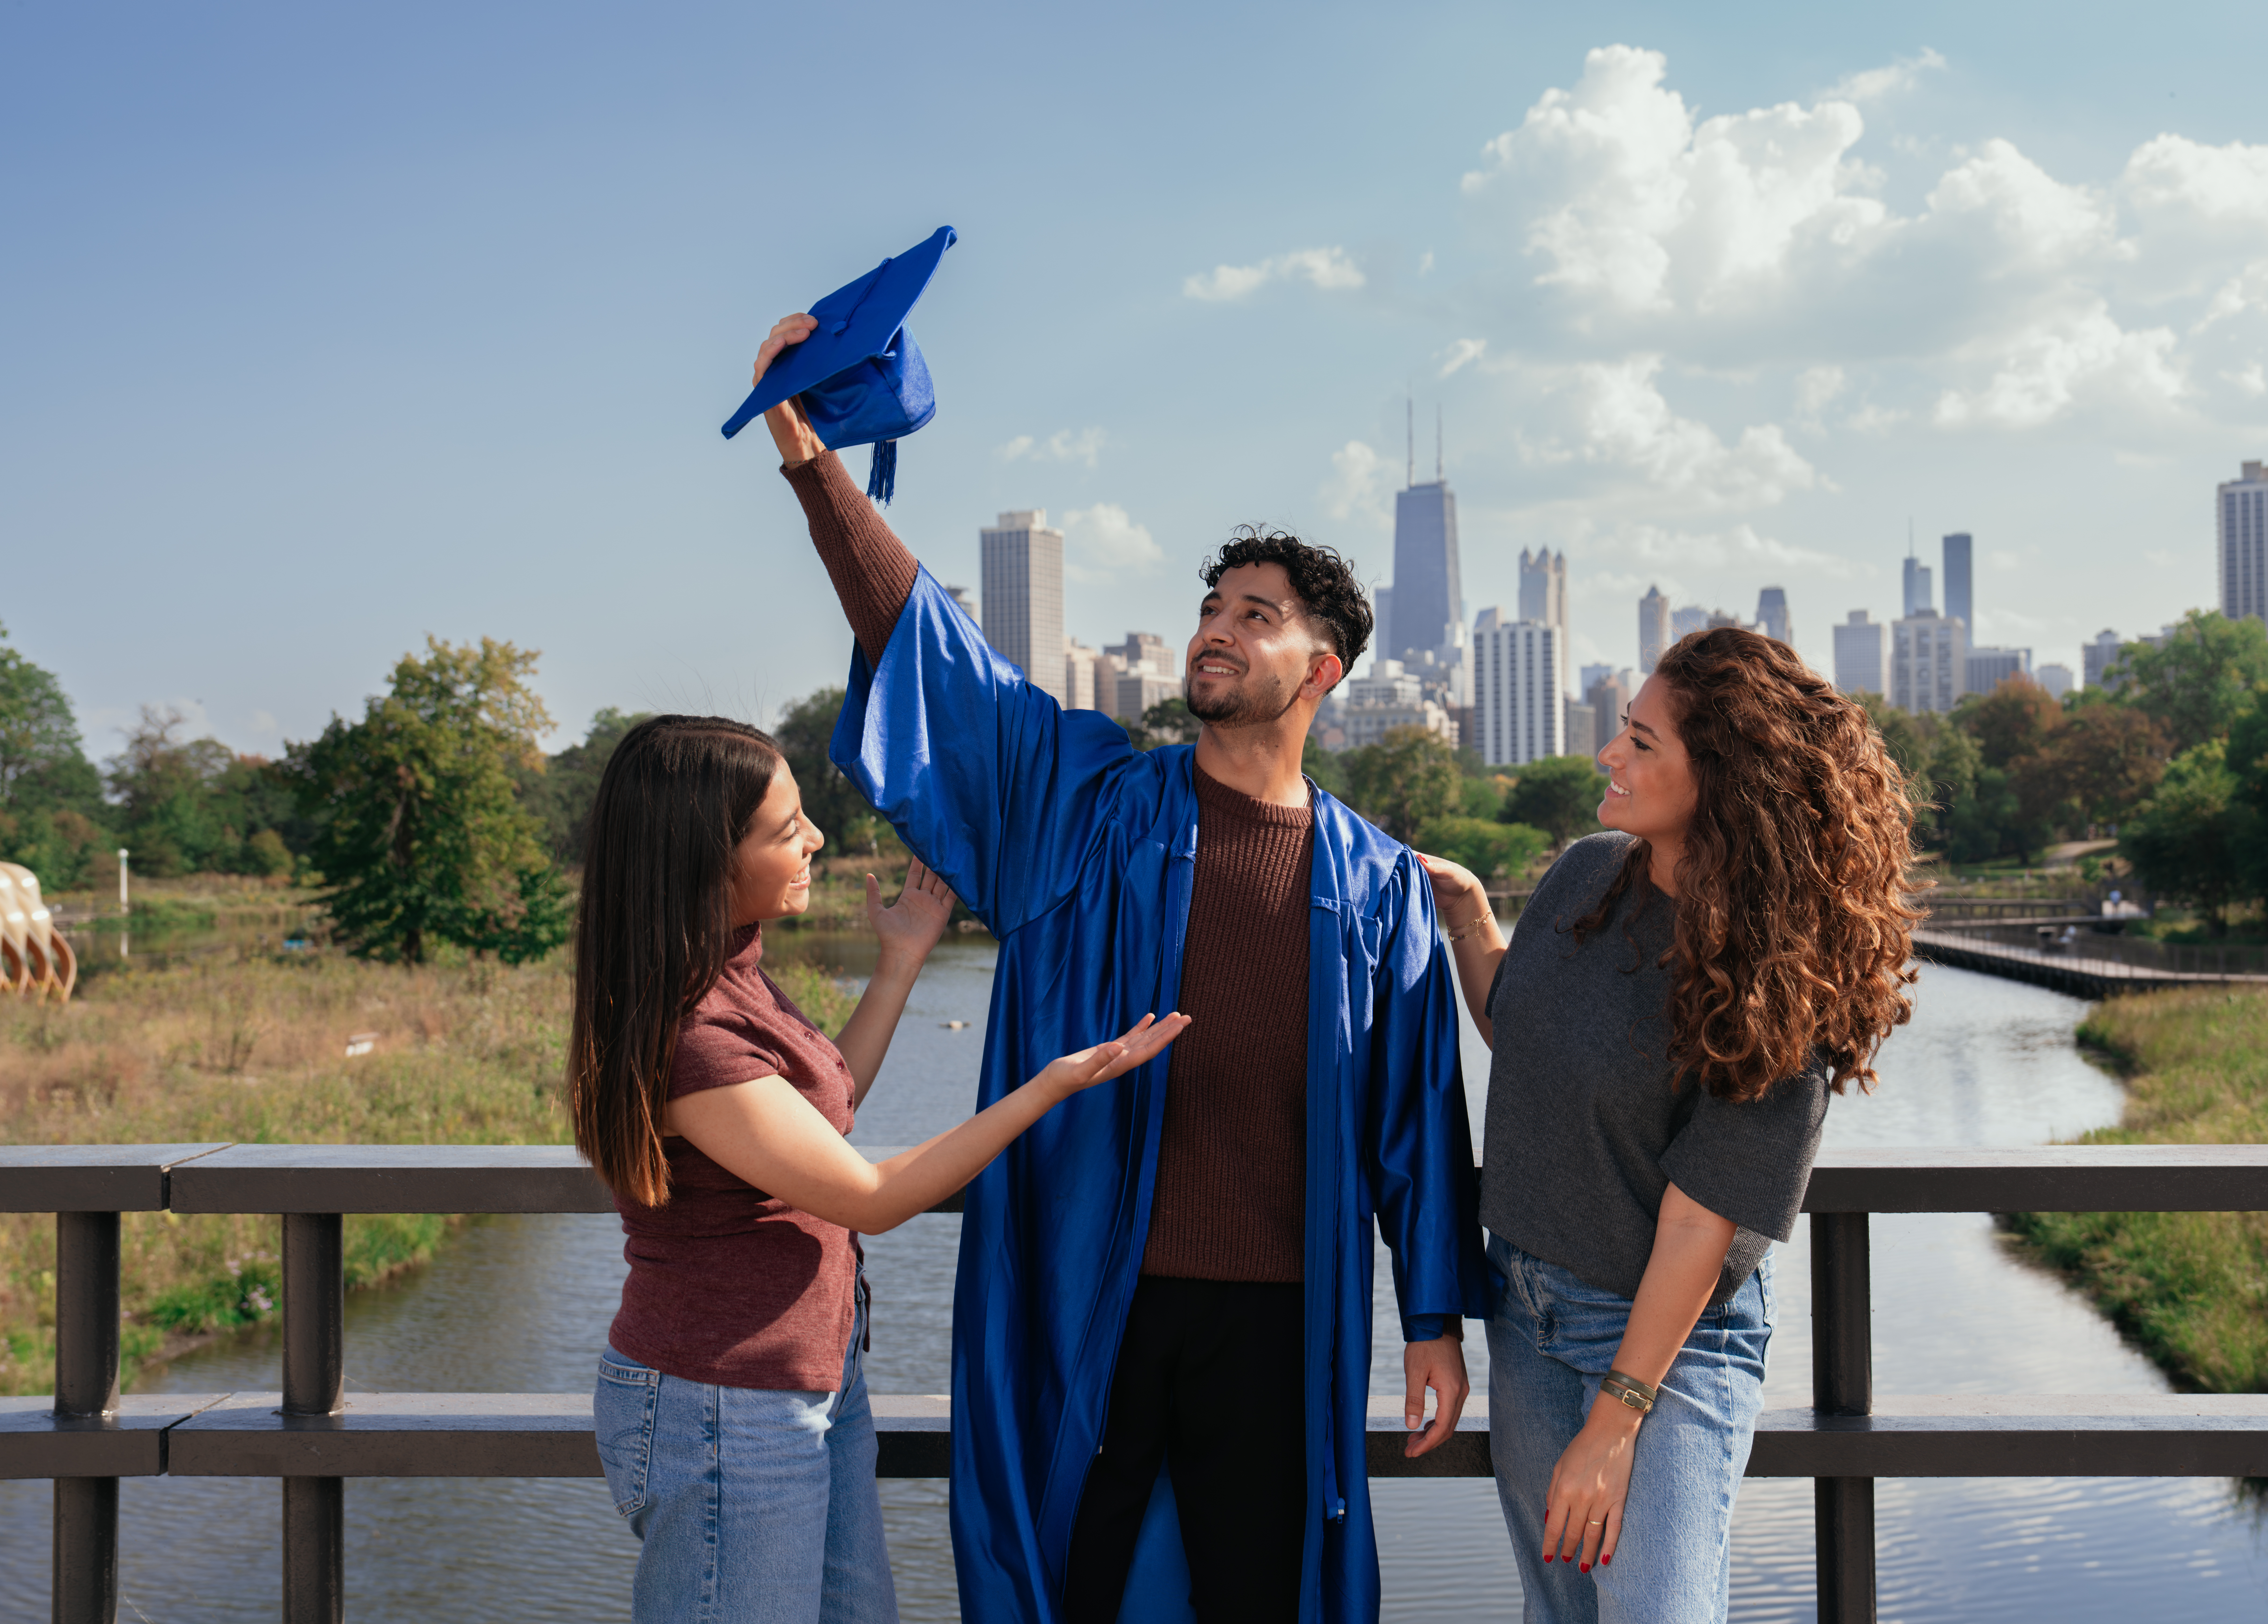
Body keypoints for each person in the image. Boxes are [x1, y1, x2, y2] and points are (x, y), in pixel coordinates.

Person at [750, 312, 1491, 1624]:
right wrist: (812, 458)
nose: (1215, 628)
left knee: (1261, 1594)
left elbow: (1417, 1130)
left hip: (1278, 1320)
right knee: (1073, 1584)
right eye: (1210, 607)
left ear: (1319, 668)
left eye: (1253, 615)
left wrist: (1432, 1316)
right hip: (1094, 1290)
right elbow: (940, 663)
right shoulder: (1087, 806)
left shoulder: (1380, 886)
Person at [569, 713, 1190, 1624]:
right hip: (722, 1409)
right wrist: (1051, 1085)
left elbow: (821, 1110)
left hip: (808, 1382)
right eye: (787, 830)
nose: (817, 836)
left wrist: (900, 960)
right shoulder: (692, 1032)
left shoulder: (733, 971)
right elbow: (869, 1196)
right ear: (706, 858)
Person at [1419, 627, 1919, 1623]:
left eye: (1643, 742)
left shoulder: (1782, 978)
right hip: (1524, 1310)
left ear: (1727, 783)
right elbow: (1523, 1024)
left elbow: (1701, 1229)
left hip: (1667, 1345)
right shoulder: (1589, 872)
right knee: (1561, 1616)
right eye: (1623, 731)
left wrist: (1616, 1422)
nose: (1611, 754)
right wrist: (1471, 915)